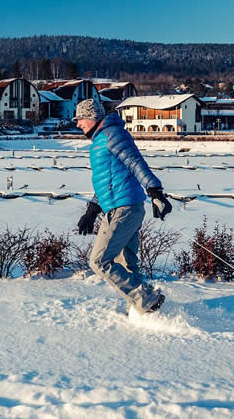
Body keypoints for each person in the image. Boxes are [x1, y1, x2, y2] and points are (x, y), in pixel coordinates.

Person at [73, 99, 171, 313]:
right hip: (122, 206)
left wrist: (155, 190)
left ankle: (147, 300)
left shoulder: (112, 135)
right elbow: (108, 180)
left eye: (80, 119)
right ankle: (142, 312)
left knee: (99, 261)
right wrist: (92, 209)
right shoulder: (101, 139)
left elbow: (136, 162)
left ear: (91, 117)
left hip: (123, 208)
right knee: (127, 263)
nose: (78, 124)